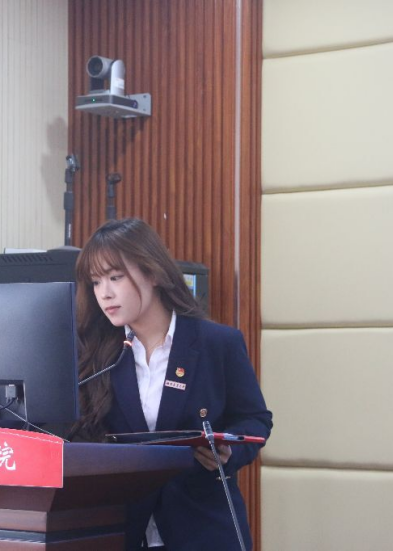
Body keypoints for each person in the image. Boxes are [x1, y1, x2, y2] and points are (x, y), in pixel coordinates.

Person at [72, 217, 272, 551]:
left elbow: (255, 420)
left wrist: (228, 451)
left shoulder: (217, 343)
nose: (104, 293)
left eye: (115, 277)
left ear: (152, 273)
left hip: (203, 529)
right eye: (95, 282)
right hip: (122, 530)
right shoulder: (95, 354)